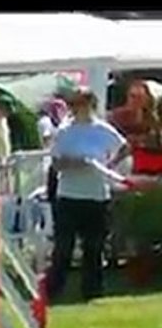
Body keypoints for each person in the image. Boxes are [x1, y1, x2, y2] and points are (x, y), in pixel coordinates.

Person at [46, 88, 134, 302]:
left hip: (96, 197)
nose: (76, 109)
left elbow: (125, 147)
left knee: (93, 248)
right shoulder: (65, 132)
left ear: (90, 105)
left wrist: (109, 164)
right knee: (63, 248)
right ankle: (52, 292)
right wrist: (76, 164)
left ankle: (92, 293)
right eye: (73, 105)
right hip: (68, 196)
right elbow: (56, 163)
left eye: (80, 104)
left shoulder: (102, 130)